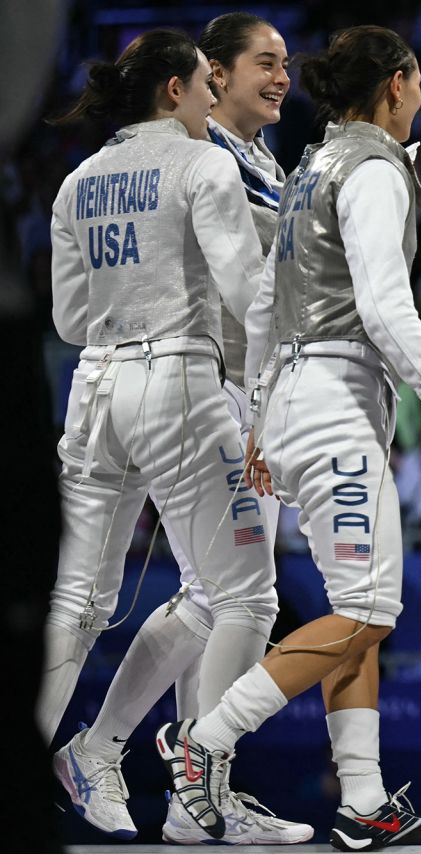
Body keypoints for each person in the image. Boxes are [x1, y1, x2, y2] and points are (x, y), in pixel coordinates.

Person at [153, 26, 421, 851]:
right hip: (339, 403)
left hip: (304, 405)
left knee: (358, 610)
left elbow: (270, 305)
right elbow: (384, 307)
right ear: (394, 85)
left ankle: (363, 801)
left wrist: (266, 418)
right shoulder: (372, 168)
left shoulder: (310, 164)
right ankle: (203, 743)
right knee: (371, 609)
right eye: (416, 82)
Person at [47, 13, 312, 846]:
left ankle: (85, 761)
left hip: (95, 384)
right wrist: (272, 402)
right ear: (181, 87)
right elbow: (246, 292)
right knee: (244, 594)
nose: (211, 99)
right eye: (209, 82)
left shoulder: (78, 178)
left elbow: (67, 316)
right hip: (189, 385)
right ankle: (176, 776)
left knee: (78, 600)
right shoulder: (202, 161)